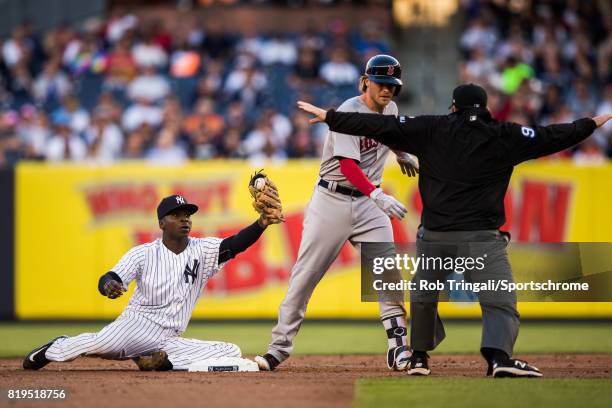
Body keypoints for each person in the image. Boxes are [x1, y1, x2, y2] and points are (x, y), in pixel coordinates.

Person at [297, 83, 612, 377]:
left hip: (436, 234)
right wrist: (593, 122)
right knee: (498, 299)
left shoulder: (432, 128)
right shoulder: (506, 134)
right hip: (482, 237)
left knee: (424, 296)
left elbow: (381, 127)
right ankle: (499, 358)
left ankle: (418, 357)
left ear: (453, 107)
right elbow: (555, 135)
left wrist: (332, 117)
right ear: (486, 108)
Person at [255, 55, 419, 372]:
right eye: (382, 84)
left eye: (393, 86)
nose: (387, 91)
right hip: (333, 199)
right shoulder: (348, 112)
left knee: (387, 274)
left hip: (370, 204)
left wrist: (401, 153)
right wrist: (377, 195)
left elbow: (390, 134)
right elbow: (347, 165)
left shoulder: (392, 109)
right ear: (366, 81)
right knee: (304, 278)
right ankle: (278, 349)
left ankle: (398, 348)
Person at [23, 194, 281, 371]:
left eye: (187, 215)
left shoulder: (204, 250)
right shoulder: (143, 253)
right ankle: (56, 347)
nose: (185, 219)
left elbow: (234, 244)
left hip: (169, 339)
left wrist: (261, 224)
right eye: (176, 215)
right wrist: (108, 286)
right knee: (100, 345)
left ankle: (158, 362)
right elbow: (110, 278)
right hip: (135, 326)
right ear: (161, 223)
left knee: (231, 351)